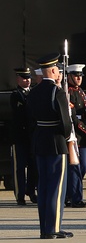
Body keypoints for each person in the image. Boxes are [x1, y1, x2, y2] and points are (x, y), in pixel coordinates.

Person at [26, 53, 74, 239]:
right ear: (54, 71)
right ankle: (53, 227)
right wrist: (68, 136)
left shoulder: (35, 91)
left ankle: (45, 228)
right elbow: (65, 122)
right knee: (57, 186)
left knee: (44, 186)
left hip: (40, 140)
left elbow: (30, 119)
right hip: (56, 141)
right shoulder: (58, 92)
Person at [65, 64, 86, 208]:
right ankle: (75, 198)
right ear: (69, 76)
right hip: (74, 133)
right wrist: (84, 128)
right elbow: (72, 116)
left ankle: (71, 191)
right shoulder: (67, 92)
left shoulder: (80, 91)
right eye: (76, 76)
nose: (79, 78)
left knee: (84, 165)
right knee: (75, 166)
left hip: (83, 134)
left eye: (80, 76)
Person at [9, 66, 36, 205]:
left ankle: (31, 191)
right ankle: (20, 195)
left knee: (33, 165)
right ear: (18, 79)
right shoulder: (15, 94)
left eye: (29, 78)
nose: (28, 81)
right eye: (24, 78)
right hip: (20, 136)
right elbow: (20, 113)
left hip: (31, 136)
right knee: (19, 167)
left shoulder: (33, 93)